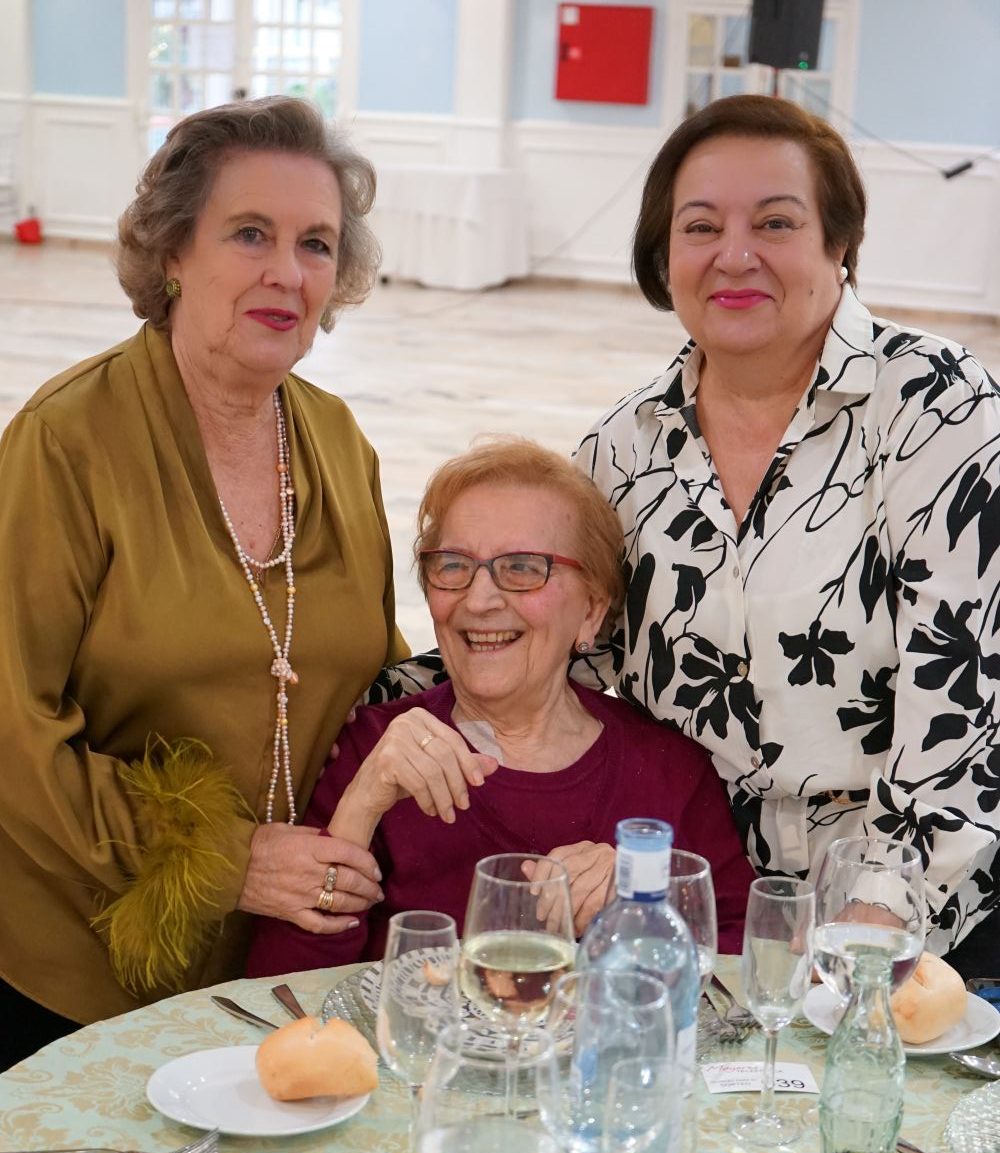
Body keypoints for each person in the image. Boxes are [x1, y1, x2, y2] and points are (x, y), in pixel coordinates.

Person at [0, 97, 408, 1067]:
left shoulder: (338, 440)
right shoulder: (64, 443)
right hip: (79, 975)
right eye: (250, 233)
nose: (287, 273)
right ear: (173, 251)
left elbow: (379, 679)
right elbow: (12, 729)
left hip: (285, 967)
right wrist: (231, 860)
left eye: (315, 244)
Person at [574, 95, 1000, 976]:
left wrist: (875, 914)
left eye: (775, 222)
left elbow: (966, 693)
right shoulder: (620, 449)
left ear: (839, 243)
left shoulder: (937, 407)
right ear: (664, 255)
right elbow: (567, 662)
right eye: (700, 227)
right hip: (698, 911)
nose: (735, 255)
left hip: (927, 918)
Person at [246, 439, 753, 975]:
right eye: (453, 565)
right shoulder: (372, 750)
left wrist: (640, 908)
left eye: (522, 568)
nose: (479, 600)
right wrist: (360, 808)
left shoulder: (668, 770)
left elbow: (743, 961)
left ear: (591, 610)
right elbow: (275, 991)